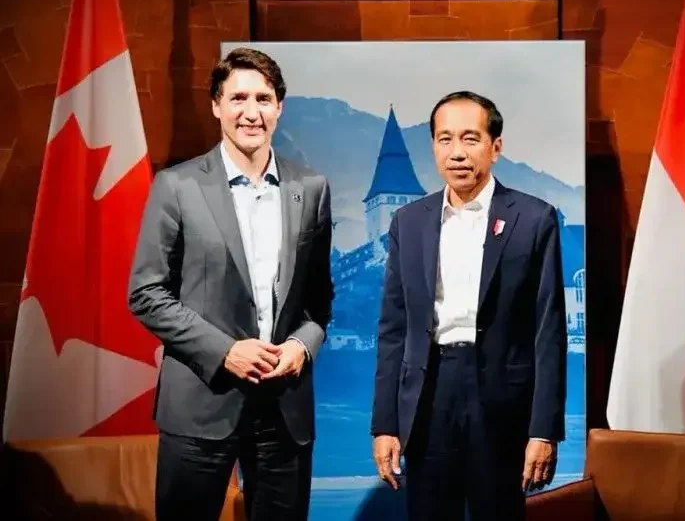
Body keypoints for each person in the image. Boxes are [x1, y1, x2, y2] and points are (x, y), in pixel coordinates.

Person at [128, 47, 333, 521]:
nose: (251, 112)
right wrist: (226, 351)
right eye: (238, 98)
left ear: (279, 107)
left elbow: (319, 302)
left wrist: (301, 347)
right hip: (202, 402)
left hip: (285, 410)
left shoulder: (312, 188)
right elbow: (146, 293)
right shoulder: (176, 186)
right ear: (217, 105)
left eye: (263, 98)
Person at [370, 91, 567, 520]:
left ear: (495, 147)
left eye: (470, 138)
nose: (456, 152)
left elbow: (548, 330)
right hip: (427, 396)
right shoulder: (410, 221)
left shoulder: (534, 219)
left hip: (500, 400)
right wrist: (385, 423)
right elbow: (393, 330)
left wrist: (544, 430)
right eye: (445, 139)